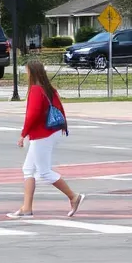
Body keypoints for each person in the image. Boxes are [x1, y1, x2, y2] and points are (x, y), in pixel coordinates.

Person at [9, 60, 84, 219]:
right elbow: (60, 109)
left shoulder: (36, 90)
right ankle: (26, 208)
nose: (25, 74)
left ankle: (73, 196)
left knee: (43, 172)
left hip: (42, 134)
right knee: (28, 169)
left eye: (27, 71)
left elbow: (32, 115)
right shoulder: (49, 89)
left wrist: (23, 134)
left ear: (32, 72)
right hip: (51, 132)